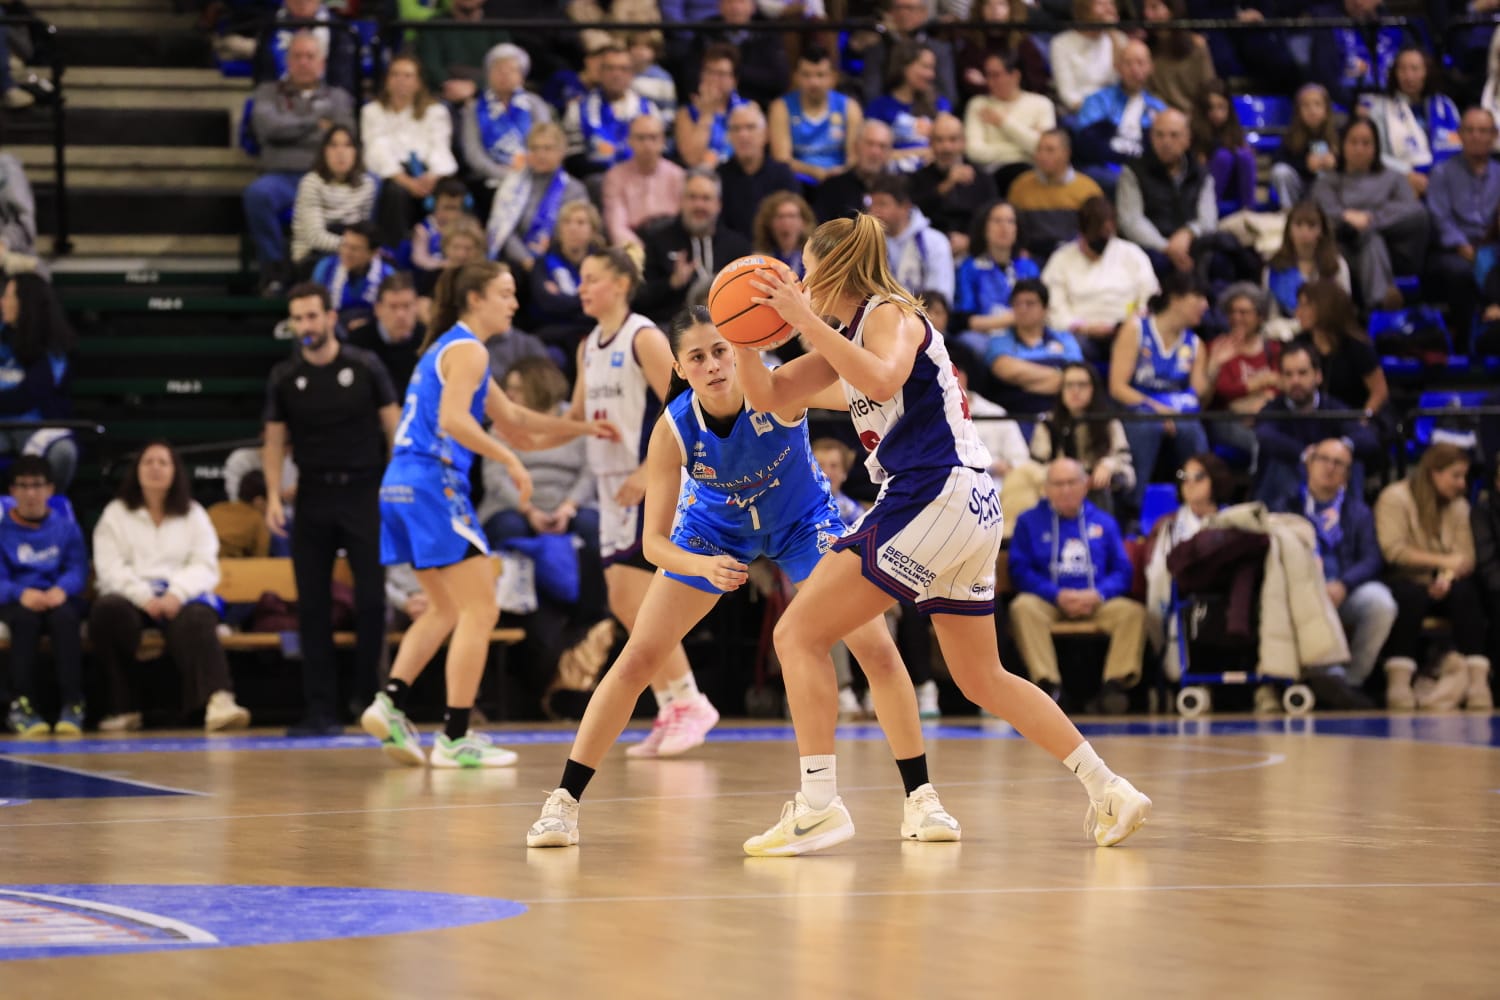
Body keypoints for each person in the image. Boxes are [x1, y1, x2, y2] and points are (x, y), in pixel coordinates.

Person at [733, 214, 1151, 854]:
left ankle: (819, 804)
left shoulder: (890, 312)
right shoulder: (844, 337)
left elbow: (881, 378)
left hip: (933, 491)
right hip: (966, 507)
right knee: (982, 678)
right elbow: (767, 395)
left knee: (797, 633)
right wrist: (742, 332)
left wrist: (803, 319)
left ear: (836, 267)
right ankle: (1109, 789)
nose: (800, 280)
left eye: (808, 270)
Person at [526, 305, 962, 848]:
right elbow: (654, 543)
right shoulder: (674, 429)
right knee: (640, 655)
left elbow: (868, 390)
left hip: (804, 524)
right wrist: (701, 565)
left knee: (874, 648)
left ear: (738, 351)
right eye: (698, 356)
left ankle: (922, 799)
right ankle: (561, 805)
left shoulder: (778, 389)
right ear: (680, 368)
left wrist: (924, 381)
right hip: (713, 535)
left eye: (721, 351)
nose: (713, 365)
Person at [360, 261, 619, 767]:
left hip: (399, 487)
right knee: (482, 609)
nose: (514, 303)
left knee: (445, 609)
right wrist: (510, 461)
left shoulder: (453, 350)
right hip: (434, 482)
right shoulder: (470, 350)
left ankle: (390, 703)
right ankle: (454, 737)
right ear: (474, 299)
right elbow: (455, 421)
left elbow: (519, 422)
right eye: (504, 292)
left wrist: (585, 429)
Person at [573, 248, 722, 757]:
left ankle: (690, 701)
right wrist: (522, 430)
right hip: (607, 481)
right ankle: (670, 703)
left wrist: (647, 469)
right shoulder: (587, 345)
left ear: (619, 282)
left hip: (645, 478)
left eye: (590, 278)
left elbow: (681, 400)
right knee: (620, 598)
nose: (581, 288)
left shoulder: (643, 336)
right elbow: (578, 413)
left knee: (638, 595)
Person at [264, 281, 401, 738]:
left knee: (371, 601)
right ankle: (320, 710)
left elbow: (394, 428)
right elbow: (274, 440)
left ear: (330, 316)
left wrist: (399, 487)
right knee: (313, 606)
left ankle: (368, 702)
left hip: (364, 492)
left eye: (311, 316)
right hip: (313, 496)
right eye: (297, 318)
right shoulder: (285, 376)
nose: (304, 326)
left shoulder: (364, 366)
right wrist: (271, 493)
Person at [92, 442, 251, 733]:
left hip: (179, 598)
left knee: (199, 618)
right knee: (107, 613)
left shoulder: (193, 514)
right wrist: (143, 597)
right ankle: (123, 708)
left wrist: (177, 593)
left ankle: (219, 701)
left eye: (163, 463)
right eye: (148, 462)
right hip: (133, 598)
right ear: (136, 471)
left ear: (175, 472)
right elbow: (109, 567)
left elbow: (205, 564)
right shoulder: (115, 514)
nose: (155, 468)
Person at [1008, 458, 1146, 714]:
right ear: (1046, 488)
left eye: (1072, 482)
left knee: (1132, 612)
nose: (1065, 490)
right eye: (1058, 484)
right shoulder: (1029, 521)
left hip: (1095, 600)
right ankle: (1048, 686)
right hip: (1050, 601)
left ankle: (1114, 685)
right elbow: (1020, 570)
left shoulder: (1104, 522)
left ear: (1085, 485)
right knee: (1022, 607)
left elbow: (1122, 571)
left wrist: (1099, 593)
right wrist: (1056, 594)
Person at [1268, 437, 1396, 707]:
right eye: (1323, 460)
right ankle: (1310, 679)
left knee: (1381, 603)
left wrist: (1344, 584)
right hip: (1299, 594)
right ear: (1309, 464)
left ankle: (1350, 682)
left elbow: (1372, 558)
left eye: (1339, 463)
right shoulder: (1286, 505)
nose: (1330, 467)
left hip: (1341, 589)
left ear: (1347, 474)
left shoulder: (1357, 511)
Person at [1375, 443, 1488, 710]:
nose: (1462, 484)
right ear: (1434, 473)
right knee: (1409, 596)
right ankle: (1399, 682)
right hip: (1404, 578)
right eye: (1456, 475)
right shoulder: (1395, 497)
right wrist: (1442, 562)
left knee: (1466, 592)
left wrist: (1446, 576)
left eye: (1464, 476)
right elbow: (1394, 551)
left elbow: (1465, 556)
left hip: (1443, 582)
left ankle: (1477, 681)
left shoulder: (1459, 506)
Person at [243, 32, 355, 294]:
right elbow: (268, 130)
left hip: (328, 178)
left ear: (322, 63)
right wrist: (316, 125)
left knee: (370, 184)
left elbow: (345, 135)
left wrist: (290, 131)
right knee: (257, 194)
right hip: (282, 178)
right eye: (297, 56)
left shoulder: (338, 97)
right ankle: (274, 269)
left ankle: (354, 264)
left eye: (310, 56)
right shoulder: (267, 93)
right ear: (287, 61)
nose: (304, 62)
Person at [0, 456, 87, 737]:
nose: (31, 493)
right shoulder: (3, 532)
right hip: (18, 601)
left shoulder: (66, 529)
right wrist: (20, 592)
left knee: (65, 619)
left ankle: (73, 703)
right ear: (12, 492)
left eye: (37, 486)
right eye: (23, 486)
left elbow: (77, 568)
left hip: (57, 598)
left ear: (50, 490)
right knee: (24, 622)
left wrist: (62, 589)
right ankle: (21, 705)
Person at [1107, 273, 1211, 507]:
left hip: (1175, 411)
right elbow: (1117, 387)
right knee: (1147, 427)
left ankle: (1200, 503)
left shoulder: (1195, 344)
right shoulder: (1136, 329)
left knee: (1192, 431)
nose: (1205, 305)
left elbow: (1197, 395)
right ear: (1176, 299)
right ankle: (1132, 507)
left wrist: (1213, 368)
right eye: (1198, 297)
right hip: (1136, 407)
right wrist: (1157, 409)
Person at [1310, 118, 1430, 312]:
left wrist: (1368, 219)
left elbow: (1411, 210)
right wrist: (1345, 219)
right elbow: (1325, 215)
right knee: (1370, 239)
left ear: (1376, 147)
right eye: (1353, 142)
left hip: (1393, 250)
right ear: (1342, 145)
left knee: (1377, 233)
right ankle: (1381, 302)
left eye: (1366, 143)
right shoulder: (1327, 182)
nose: (1359, 149)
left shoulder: (1394, 178)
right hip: (1343, 248)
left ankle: (1378, 302)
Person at [1252, 340, 1380, 504]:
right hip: (1285, 495)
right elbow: (1265, 435)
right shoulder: (1272, 410)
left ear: (1318, 376)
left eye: (1302, 373)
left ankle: (1349, 525)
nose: (1295, 381)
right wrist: (1305, 454)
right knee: (1281, 463)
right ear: (1281, 379)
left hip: (1329, 488)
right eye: (1288, 374)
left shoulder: (1333, 407)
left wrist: (1335, 450)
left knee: (1352, 463)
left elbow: (1367, 437)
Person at [1143, 452, 1232, 681]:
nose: (1189, 483)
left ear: (1216, 480)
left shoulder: (1233, 520)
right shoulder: (1168, 526)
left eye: (1199, 476)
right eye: (1184, 476)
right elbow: (1156, 573)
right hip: (1185, 593)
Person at [1040, 196, 1159, 362]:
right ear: (1082, 232)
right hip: (1080, 333)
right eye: (1096, 236)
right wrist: (1083, 327)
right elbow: (1053, 306)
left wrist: (1135, 320)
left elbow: (1150, 295)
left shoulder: (1132, 254)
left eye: (1106, 235)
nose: (1101, 242)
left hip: (1126, 330)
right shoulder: (1061, 259)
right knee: (1071, 348)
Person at [362, 54, 458, 249]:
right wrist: (406, 181)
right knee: (394, 192)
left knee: (452, 191)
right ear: (387, 80)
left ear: (418, 82)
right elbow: (376, 150)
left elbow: (440, 147)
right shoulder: (372, 111)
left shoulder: (436, 112)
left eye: (407, 75)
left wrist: (431, 176)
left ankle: (444, 249)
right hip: (393, 175)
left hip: (429, 173)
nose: (401, 81)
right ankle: (395, 252)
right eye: (395, 75)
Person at [1425, 108, 1500, 354]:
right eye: (1470, 130)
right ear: (1460, 135)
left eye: (1483, 131)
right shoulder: (1442, 172)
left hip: (1493, 247)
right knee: (1459, 273)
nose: (1476, 136)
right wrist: (1462, 246)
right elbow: (1439, 217)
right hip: (1452, 251)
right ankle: (1465, 344)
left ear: (1494, 136)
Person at [637, 169, 752, 327]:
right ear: (681, 202)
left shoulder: (737, 245)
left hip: (728, 327)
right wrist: (671, 284)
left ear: (718, 205)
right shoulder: (658, 240)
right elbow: (639, 299)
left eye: (706, 198)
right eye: (692, 197)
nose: (699, 205)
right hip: (674, 329)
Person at [1115, 109, 1219, 280]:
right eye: (1160, 135)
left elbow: (1208, 219)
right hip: (1152, 247)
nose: (1166, 142)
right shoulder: (1133, 171)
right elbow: (1131, 221)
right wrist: (1167, 248)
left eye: (1174, 135)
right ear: (1151, 138)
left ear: (1187, 139)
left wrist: (1188, 233)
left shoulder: (1201, 174)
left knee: (1220, 258)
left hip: (1191, 245)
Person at [1026, 361, 1135, 517]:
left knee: (1101, 485)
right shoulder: (1047, 423)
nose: (1075, 391)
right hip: (1055, 487)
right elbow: (1035, 466)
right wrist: (1063, 477)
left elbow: (1124, 463)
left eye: (1082, 385)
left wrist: (1108, 465)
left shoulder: (1108, 421)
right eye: (1069, 385)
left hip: (1095, 486)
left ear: (1093, 389)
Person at [0, 273, 77, 490]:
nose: (1, 303)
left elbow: (26, 397)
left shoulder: (52, 348)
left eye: (7, 297)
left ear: (24, 304)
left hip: (36, 428)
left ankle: (45, 514)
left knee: (63, 452)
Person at [1358, 46, 1461, 200]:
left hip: (1448, 181)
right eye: (1402, 69)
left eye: (1415, 69)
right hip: (1403, 181)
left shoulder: (1445, 106)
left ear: (1426, 72)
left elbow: (1460, 146)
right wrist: (1406, 173)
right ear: (1395, 74)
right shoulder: (1381, 110)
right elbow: (1376, 155)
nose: (1408, 76)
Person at [485, 122, 589, 271]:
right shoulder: (511, 185)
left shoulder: (575, 190)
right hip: (518, 263)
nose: (540, 154)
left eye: (547, 148)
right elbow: (504, 232)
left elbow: (577, 234)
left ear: (562, 151)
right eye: (534, 148)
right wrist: (525, 259)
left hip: (560, 259)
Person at [981, 278, 1084, 417]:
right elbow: (1008, 371)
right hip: (1014, 417)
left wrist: (1023, 384)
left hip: (1059, 416)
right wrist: (1058, 375)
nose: (1022, 309)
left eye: (1030, 303)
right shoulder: (999, 341)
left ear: (1045, 309)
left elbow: (1076, 377)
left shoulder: (1065, 339)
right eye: (1017, 303)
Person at [460, 44, 556, 193]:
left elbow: (547, 142)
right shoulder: (474, 108)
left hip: (533, 173)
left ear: (522, 76)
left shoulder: (535, 104)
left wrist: (528, 168)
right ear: (488, 75)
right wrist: (502, 174)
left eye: (511, 70)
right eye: (498, 70)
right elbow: (473, 152)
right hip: (489, 178)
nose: (504, 75)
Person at [1200, 283, 1279, 461]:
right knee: (1261, 444)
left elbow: (1281, 384)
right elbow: (1222, 390)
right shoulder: (1217, 347)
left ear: (1260, 316)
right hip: (1226, 420)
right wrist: (1259, 383)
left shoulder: (1273, 349)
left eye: (1244, 312)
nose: (1236, 318)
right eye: (1232, 312)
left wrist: (1261, 403)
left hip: (1267, 417)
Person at [953, 202, 1041, 359]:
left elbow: (1040, 310)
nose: (1004, 227)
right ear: (984, 228)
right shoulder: (970, 267)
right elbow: (965, 320)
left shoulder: (1028, 267)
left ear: (1017, 229)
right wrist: (1008, 320)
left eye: (1010, 221)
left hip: (1026, 333)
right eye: (997, 221)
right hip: (986, 336)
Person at [768, 45, 863, 186]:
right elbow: (782, 159)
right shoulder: (780, 108)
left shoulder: (850, 107)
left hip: (840, 180)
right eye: (806, 75)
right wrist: (816, 173)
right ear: (796, 77)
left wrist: (840, 172)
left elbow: (854, 158)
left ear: (833, 78)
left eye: (820, 75)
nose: (814, 82)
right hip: (796, 183)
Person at [961, 51, 1056, 190]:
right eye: (987, 75)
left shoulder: (1041, 104)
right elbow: (974, 151)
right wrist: (1026, 150)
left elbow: (1045, 149)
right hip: (992, 175)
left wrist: (1003, 123)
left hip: (1033, 174)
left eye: (996, 75)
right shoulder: (978, 104)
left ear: (1015, 76)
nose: (990, 81)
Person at [1296, 279, 1388, 418]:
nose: (1298, 312)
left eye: (1306, 306)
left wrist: (1362, 421)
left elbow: (1379, 392)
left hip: (1354, 419)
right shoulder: (1299, 344)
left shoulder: (1356, 346)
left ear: (1325, 307)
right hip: (1312, 422)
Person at [1006, 129, 1103, 260]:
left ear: (1066, 154)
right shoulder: (1020, 186)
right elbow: (1012, 228)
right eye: (1039, 149)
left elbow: (1096, 232)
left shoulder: (1088, 189)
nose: (1042, 155)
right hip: (1031, 258)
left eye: (1050, 150)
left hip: (1074, 257)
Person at [290, 126, 375, 273]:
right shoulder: (311, 182)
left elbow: (362, 229)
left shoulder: (367, 185)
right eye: (333, 145)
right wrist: (356, 248)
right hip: (312, 255)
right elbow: (315, 237)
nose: (340, 152)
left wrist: (359, 249)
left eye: (347, 145)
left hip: (352, 253)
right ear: (324, 152)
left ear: (356, 152)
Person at [909, 113, 998, 255]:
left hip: (973, 252)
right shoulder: (917, 179)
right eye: (940, 140)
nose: (947, 148)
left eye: (953, 140)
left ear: (963, 142)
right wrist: (947, 185)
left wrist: (971, 241)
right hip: (927, 251)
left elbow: (992, 219)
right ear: (930, 143)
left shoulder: (983, 180)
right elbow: (911, 215)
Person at [600, 113, 686, 251]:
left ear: (663, 141)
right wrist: (642, 253)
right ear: (630, 141)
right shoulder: (615, 177)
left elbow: (686, 220)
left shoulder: (678, 175)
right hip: (635, 244)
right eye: (641, 138)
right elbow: (616, 227)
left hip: (672, 242)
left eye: (653, 137)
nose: (647, 144)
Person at [528, 200, 605, 352]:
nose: (572, 228)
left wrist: (564, 300)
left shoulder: (603, 263)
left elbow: (604, 304)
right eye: (566, 222)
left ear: (593, 231)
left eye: (581, 222)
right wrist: (585, 298)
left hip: (595, 332)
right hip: (555, 337)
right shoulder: (543, 263)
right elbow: (547, 305)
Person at [866, 40, 953, 174]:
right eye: (925, 67)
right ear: (904, 67)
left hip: (932, 177)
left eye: (932, 68)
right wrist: (920, 152)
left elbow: (950, 147)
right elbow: (872, 154)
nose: (931, 74)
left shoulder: (940, 104)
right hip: (893, 178)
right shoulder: (880, 107)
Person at [867, 174, 954, 306]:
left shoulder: (935, 242)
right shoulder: (867, 242)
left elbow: (940, 297)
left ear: (905, 207)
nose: (874, 211)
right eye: (872, 204)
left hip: (922, 319)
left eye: (882, 204)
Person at [717, 103, 799, 240]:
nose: (743, 135)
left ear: (765, 134)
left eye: (750, 127)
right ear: (729, 137)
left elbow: (793, 224)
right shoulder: (718, 177)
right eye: (736, 129)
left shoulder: (783, 175)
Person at [1263, 201, 1352, 328]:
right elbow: (1270, 315)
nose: (1304, 232)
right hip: (1285, 334)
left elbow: (1344, 309)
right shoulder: (1274, 268)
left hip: (1328, 332)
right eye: (1298, 225)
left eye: (1311, 226)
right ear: (1289, 229)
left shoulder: (1337, 264)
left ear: (1321, 230)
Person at [346, 272, 425, 392]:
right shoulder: (358, 342)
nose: (400, 315)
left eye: (407, 306)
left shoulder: (429, 339)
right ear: (378, 309)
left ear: (416, 307)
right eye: (393, 307)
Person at [675, 43, 747, 170]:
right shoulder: (686, 113)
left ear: (734, 81)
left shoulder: (748, 109)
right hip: (702, 180)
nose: (713, 79)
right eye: (709, 72)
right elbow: (691, 159)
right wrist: (706, 114)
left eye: (721, 74)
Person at [1191, 79, 1257, 215]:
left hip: (1233, 185)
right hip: (1205, 190)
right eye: (1211, 108)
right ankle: (1209, 213)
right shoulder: (1194, 132)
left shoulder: (1234, 130)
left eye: (1221, 107)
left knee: (1245, 155)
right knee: (1224, 157)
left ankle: (1249, 211)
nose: (1217, 113)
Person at [1269, 83, 1338, 210]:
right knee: (1280, 171)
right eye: (1306, 106)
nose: (1312, 110)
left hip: (1325, 190)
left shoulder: (1337, 135)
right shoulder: (1291, 135)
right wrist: (1305, 164)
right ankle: (1288, 213)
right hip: (1299, 188)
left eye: (1317, 104)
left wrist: (1335, 162)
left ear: (1326, 110)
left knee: (1325, 175)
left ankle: (1325, 215)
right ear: (1298, 111)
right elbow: (1277, 161)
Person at [1050, 0, 1126, 114]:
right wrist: (1095, 110)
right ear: (1084, 10)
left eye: (1111, 4)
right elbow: (1068, 94)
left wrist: (1113, 35)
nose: (1109, 10)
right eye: (1101, 4)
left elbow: (1125, 79)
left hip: (1119, 109)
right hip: (1082, 112)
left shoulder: (1119, 39)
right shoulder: (1061, 43)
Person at [1142, 0, 1216, 116]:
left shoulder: (1196, 46)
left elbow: (1208, 87)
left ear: (1171, 10)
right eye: (1145, 8)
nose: (1147, 14)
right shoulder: (1146, 49)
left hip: (1195, 118)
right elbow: (1148, 93)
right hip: (1160, 117)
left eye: (1154, 7)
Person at [813, 120, 893, 224]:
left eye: (882, 146)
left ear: (889, 153)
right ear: (856, 146)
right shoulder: (833, 187)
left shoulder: (898, 189)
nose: (875, 152)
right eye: (870, 144)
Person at [311, 223, 395, 322]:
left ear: (373, 253)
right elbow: (314, 307)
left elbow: (391, 313)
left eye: (354, 249)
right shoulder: (325, 268)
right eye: (345, 245)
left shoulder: (387, 275)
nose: (347, 253)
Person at [207, 468, 272, 559]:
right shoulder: (257, 520)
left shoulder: (214, 509)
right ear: (259, 501)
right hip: (233, 568)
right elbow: (261, 558)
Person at [751, 191, 815, 277]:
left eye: (791, 216)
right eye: (780, 216)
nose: (786, 222)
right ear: (769, 223)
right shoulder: (758, 260)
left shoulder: (814, 259)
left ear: (803, 222)